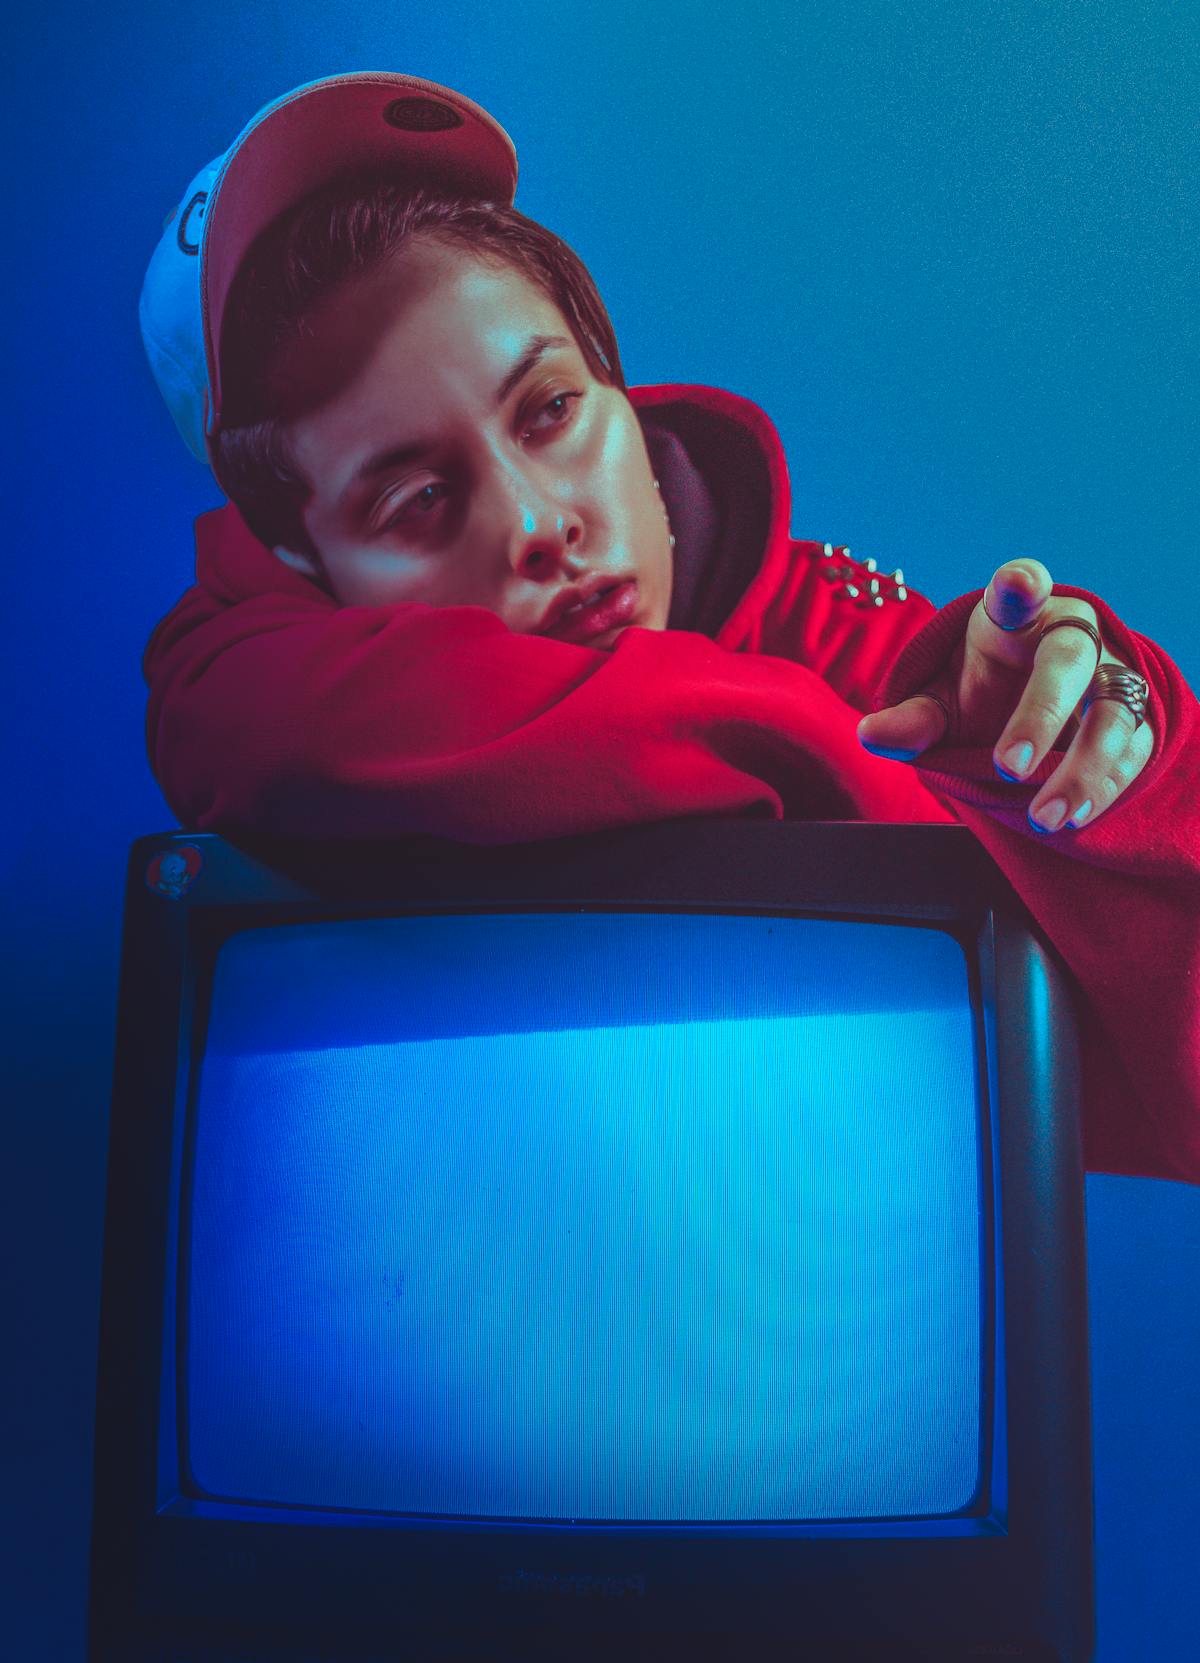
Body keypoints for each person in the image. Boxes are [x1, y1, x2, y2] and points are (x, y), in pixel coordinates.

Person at [138, 72, 1199, 1186]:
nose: (540, 524)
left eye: (550, 409)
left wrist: (1125, 741)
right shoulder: (241, 672)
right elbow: (238, 711)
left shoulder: (854, 638)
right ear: (298, 563)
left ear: (618, 387)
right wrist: (817, 748)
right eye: (417, 500)